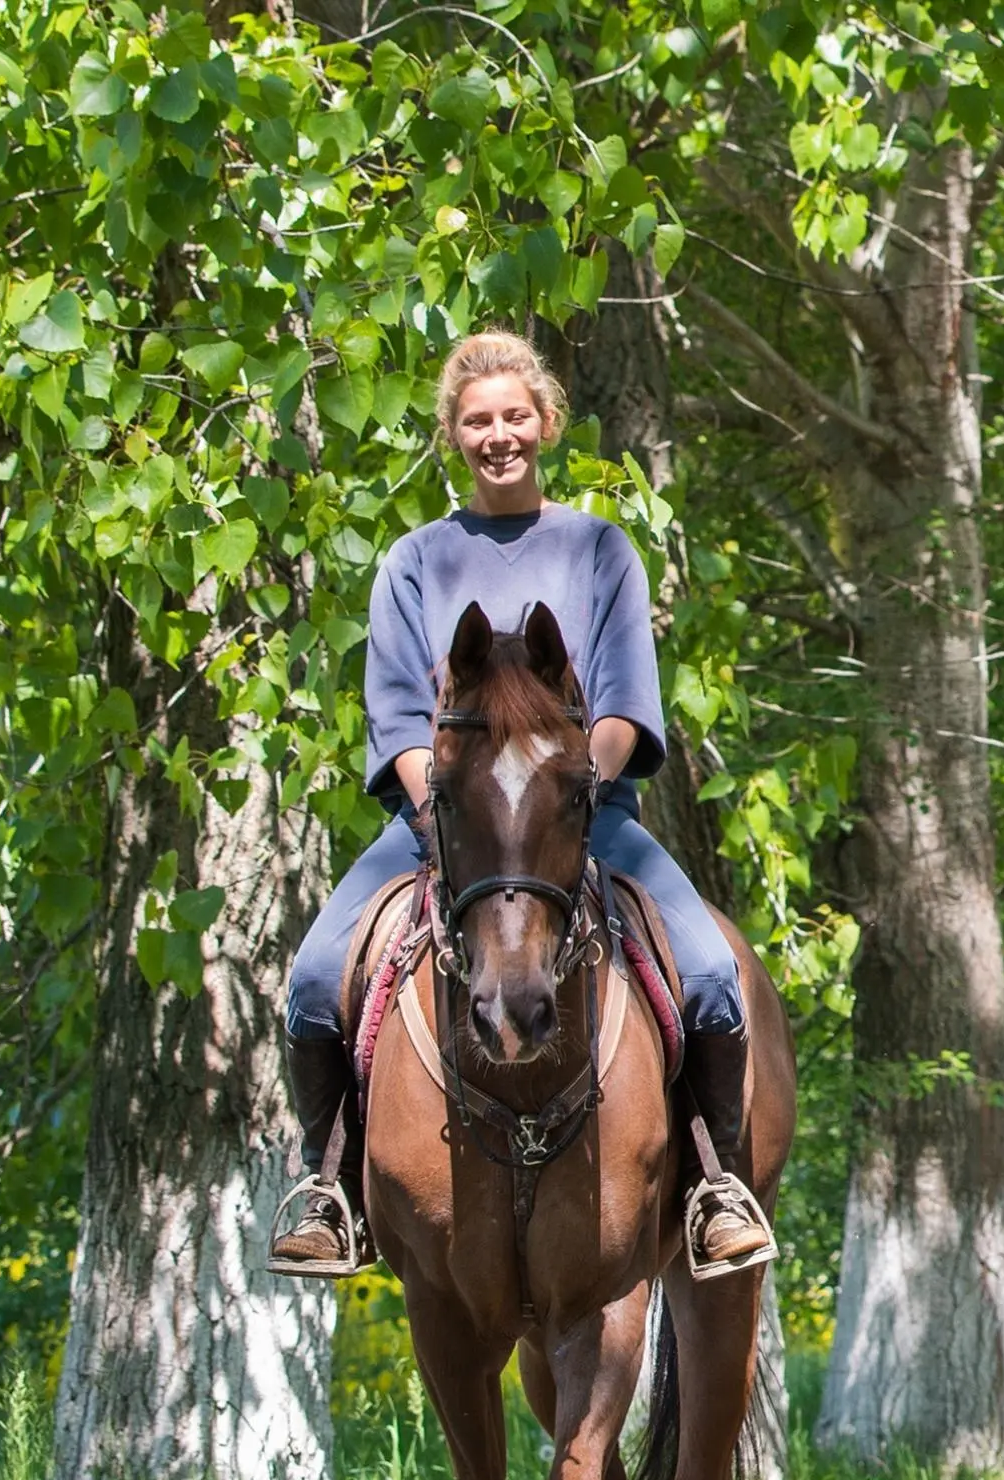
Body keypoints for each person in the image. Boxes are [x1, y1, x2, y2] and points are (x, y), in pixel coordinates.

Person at [264, 331, 773, 1281]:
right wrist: (437, 818)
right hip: (444, 829)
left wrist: (573, 798)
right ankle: (328, 1189)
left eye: (513, 415)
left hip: (587, 819)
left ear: (545, 421)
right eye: (476, 421)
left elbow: (625, 705)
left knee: (707, 972)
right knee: (311, 979)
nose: (497, 435)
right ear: (452, 436)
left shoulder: (598, 550)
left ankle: (715, 1186)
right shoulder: (413, 563)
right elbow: (397, 719)